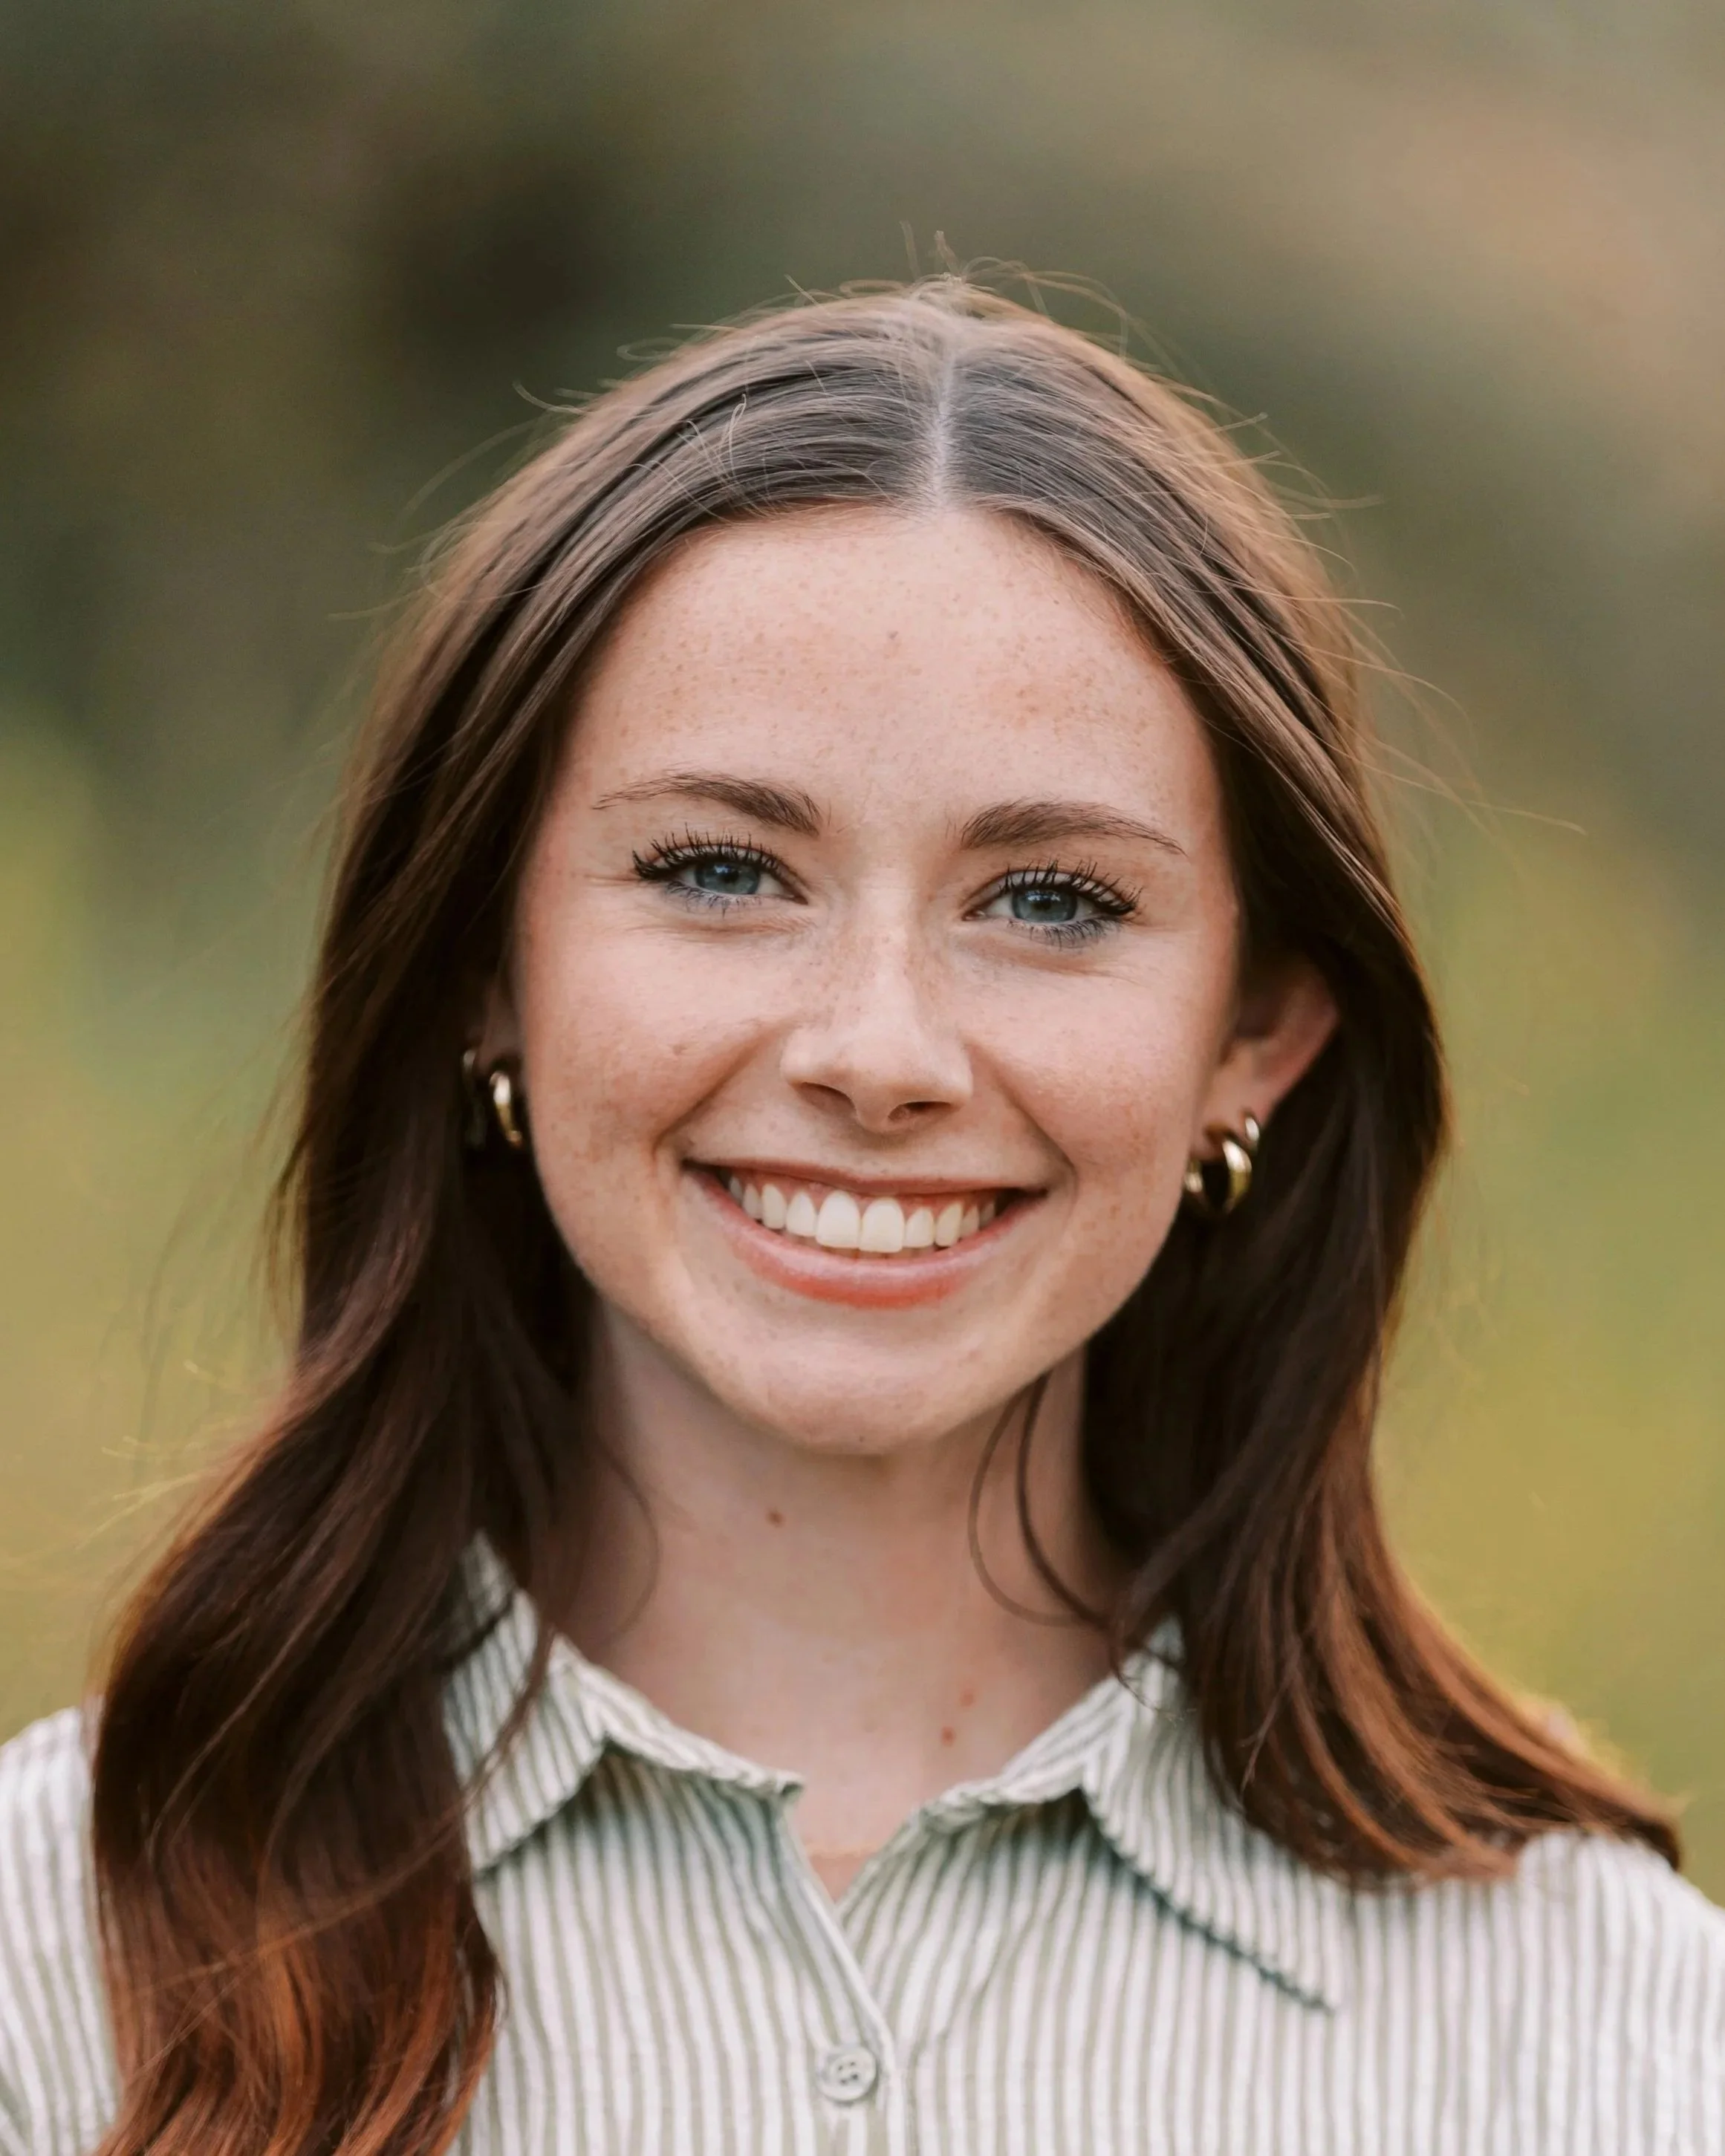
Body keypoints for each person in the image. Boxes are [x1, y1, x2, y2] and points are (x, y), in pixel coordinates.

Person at [1, 280, 1720, 2156]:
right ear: (485, 965)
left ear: (1257, 1030)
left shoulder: (1608, 2033)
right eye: (723, 869)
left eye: (1052, 899)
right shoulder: (44, 1969)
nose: (878, 1051)